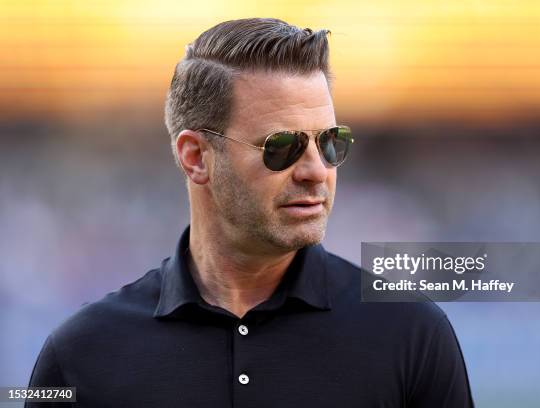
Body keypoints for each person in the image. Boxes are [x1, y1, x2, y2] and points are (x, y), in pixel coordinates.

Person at [26, 18, 474, 407]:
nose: (317, 171)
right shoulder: (81, 353)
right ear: (195, 157)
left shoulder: (411, 333)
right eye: (283, 146)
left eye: (331, 141)